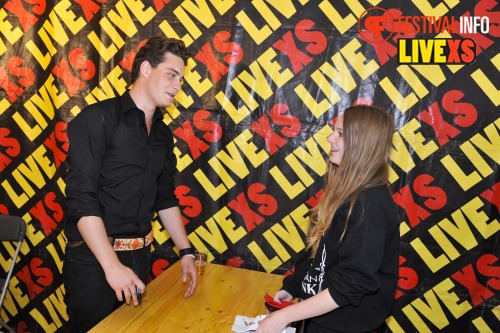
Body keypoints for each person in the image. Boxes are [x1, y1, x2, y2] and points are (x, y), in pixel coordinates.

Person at [63, 36, 198, 333]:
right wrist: (112, 267)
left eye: (181, 79)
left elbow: (165, 198)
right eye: (172, 75)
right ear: (146, 69)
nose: (178, 85)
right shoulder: (97, 119)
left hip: (139, 257)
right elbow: (81, 201)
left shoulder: (163, 135)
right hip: (93, 262)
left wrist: (186, 251)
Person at [256, 105, 400, 333]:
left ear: (362, 143)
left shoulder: (370, 206)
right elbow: (322, 254)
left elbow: (352, 284)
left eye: (340, 134)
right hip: (321, 319)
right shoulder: (348, 193)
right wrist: (294, 287)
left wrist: (286, 315)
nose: (330, 138)